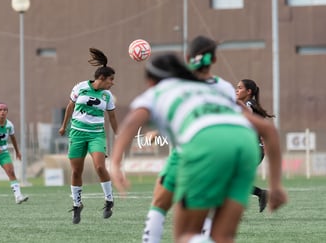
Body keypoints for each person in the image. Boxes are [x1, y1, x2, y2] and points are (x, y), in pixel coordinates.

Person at [110, 53, 287, 243]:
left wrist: (114, 162)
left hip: (204, 146)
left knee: (185, 234)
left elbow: (131, 122)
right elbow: (268, 130)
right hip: (245, 146)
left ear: (151, 81)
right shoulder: (210, 91)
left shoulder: (158, 91)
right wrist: (275, 186)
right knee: (222, 236)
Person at [140, 35, 236, 242]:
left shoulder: (181, 86)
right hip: (220, 153)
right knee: (204, 210)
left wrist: (157, 132)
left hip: (187, 152)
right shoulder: (226, 88)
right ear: (214, 60)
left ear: (187, 57)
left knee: (159, 204)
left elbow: (183, 115)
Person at [59, 47, 118, 224]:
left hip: (96, 135)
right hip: (77, 134)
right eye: (111, 79)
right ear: (101, 78)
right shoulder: (81, 87)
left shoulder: (107, 96)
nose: (113, 83)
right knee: (76, 171)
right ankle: (77, 205)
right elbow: (70, 106)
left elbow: (112, 117)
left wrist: (119, 135)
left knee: (100, 167)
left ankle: (109, 200)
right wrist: (64, 126)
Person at [236, 79, 276, 213]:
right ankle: (261, 194)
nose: (237, 90)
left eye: (240, 88)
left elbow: (248, 110)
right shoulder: (250, 104)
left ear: (249, 91)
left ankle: (234, 210)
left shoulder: (248, 104)